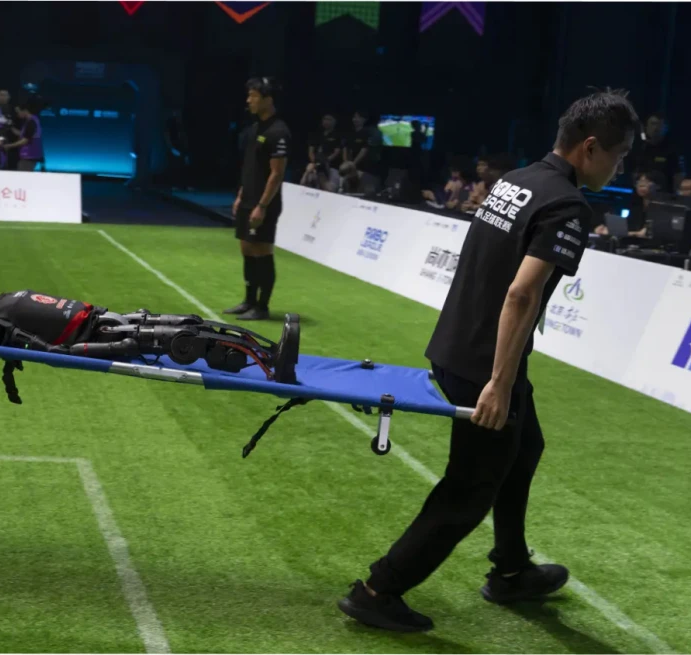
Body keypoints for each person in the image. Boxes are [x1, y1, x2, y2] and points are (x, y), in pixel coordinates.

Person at [338, 89, 639, 632]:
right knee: (470, 487)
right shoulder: (567, 205)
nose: (618, 167)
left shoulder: (517, 180)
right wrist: (499, 382)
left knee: (525, 447)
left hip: (458, 346)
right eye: (617, 156)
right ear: (590, 148)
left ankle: (511, 570)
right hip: (485, 366)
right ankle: (378, 589)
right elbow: (521, 295)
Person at [223, 77, 290, 322]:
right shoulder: (254, 130)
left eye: (253, 96)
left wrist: (262, 206)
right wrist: (241, 195)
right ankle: (248, 300)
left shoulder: (278, 131)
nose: (248, 100)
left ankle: (262, 306)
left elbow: (277, 173)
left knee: (262, 251)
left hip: (265, 203)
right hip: (248, 199)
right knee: (247, 248)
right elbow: (250, 167)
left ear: (267, 99)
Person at [3, 95, 44, 171]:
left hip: (30, 156)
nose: (17, 114)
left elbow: (25, 140)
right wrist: (11, 127)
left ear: (25, 110)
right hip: (26, 156)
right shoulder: (28, 121)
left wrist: (9, 146)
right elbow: (21, 134)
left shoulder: (32, 122)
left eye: (18, 112)